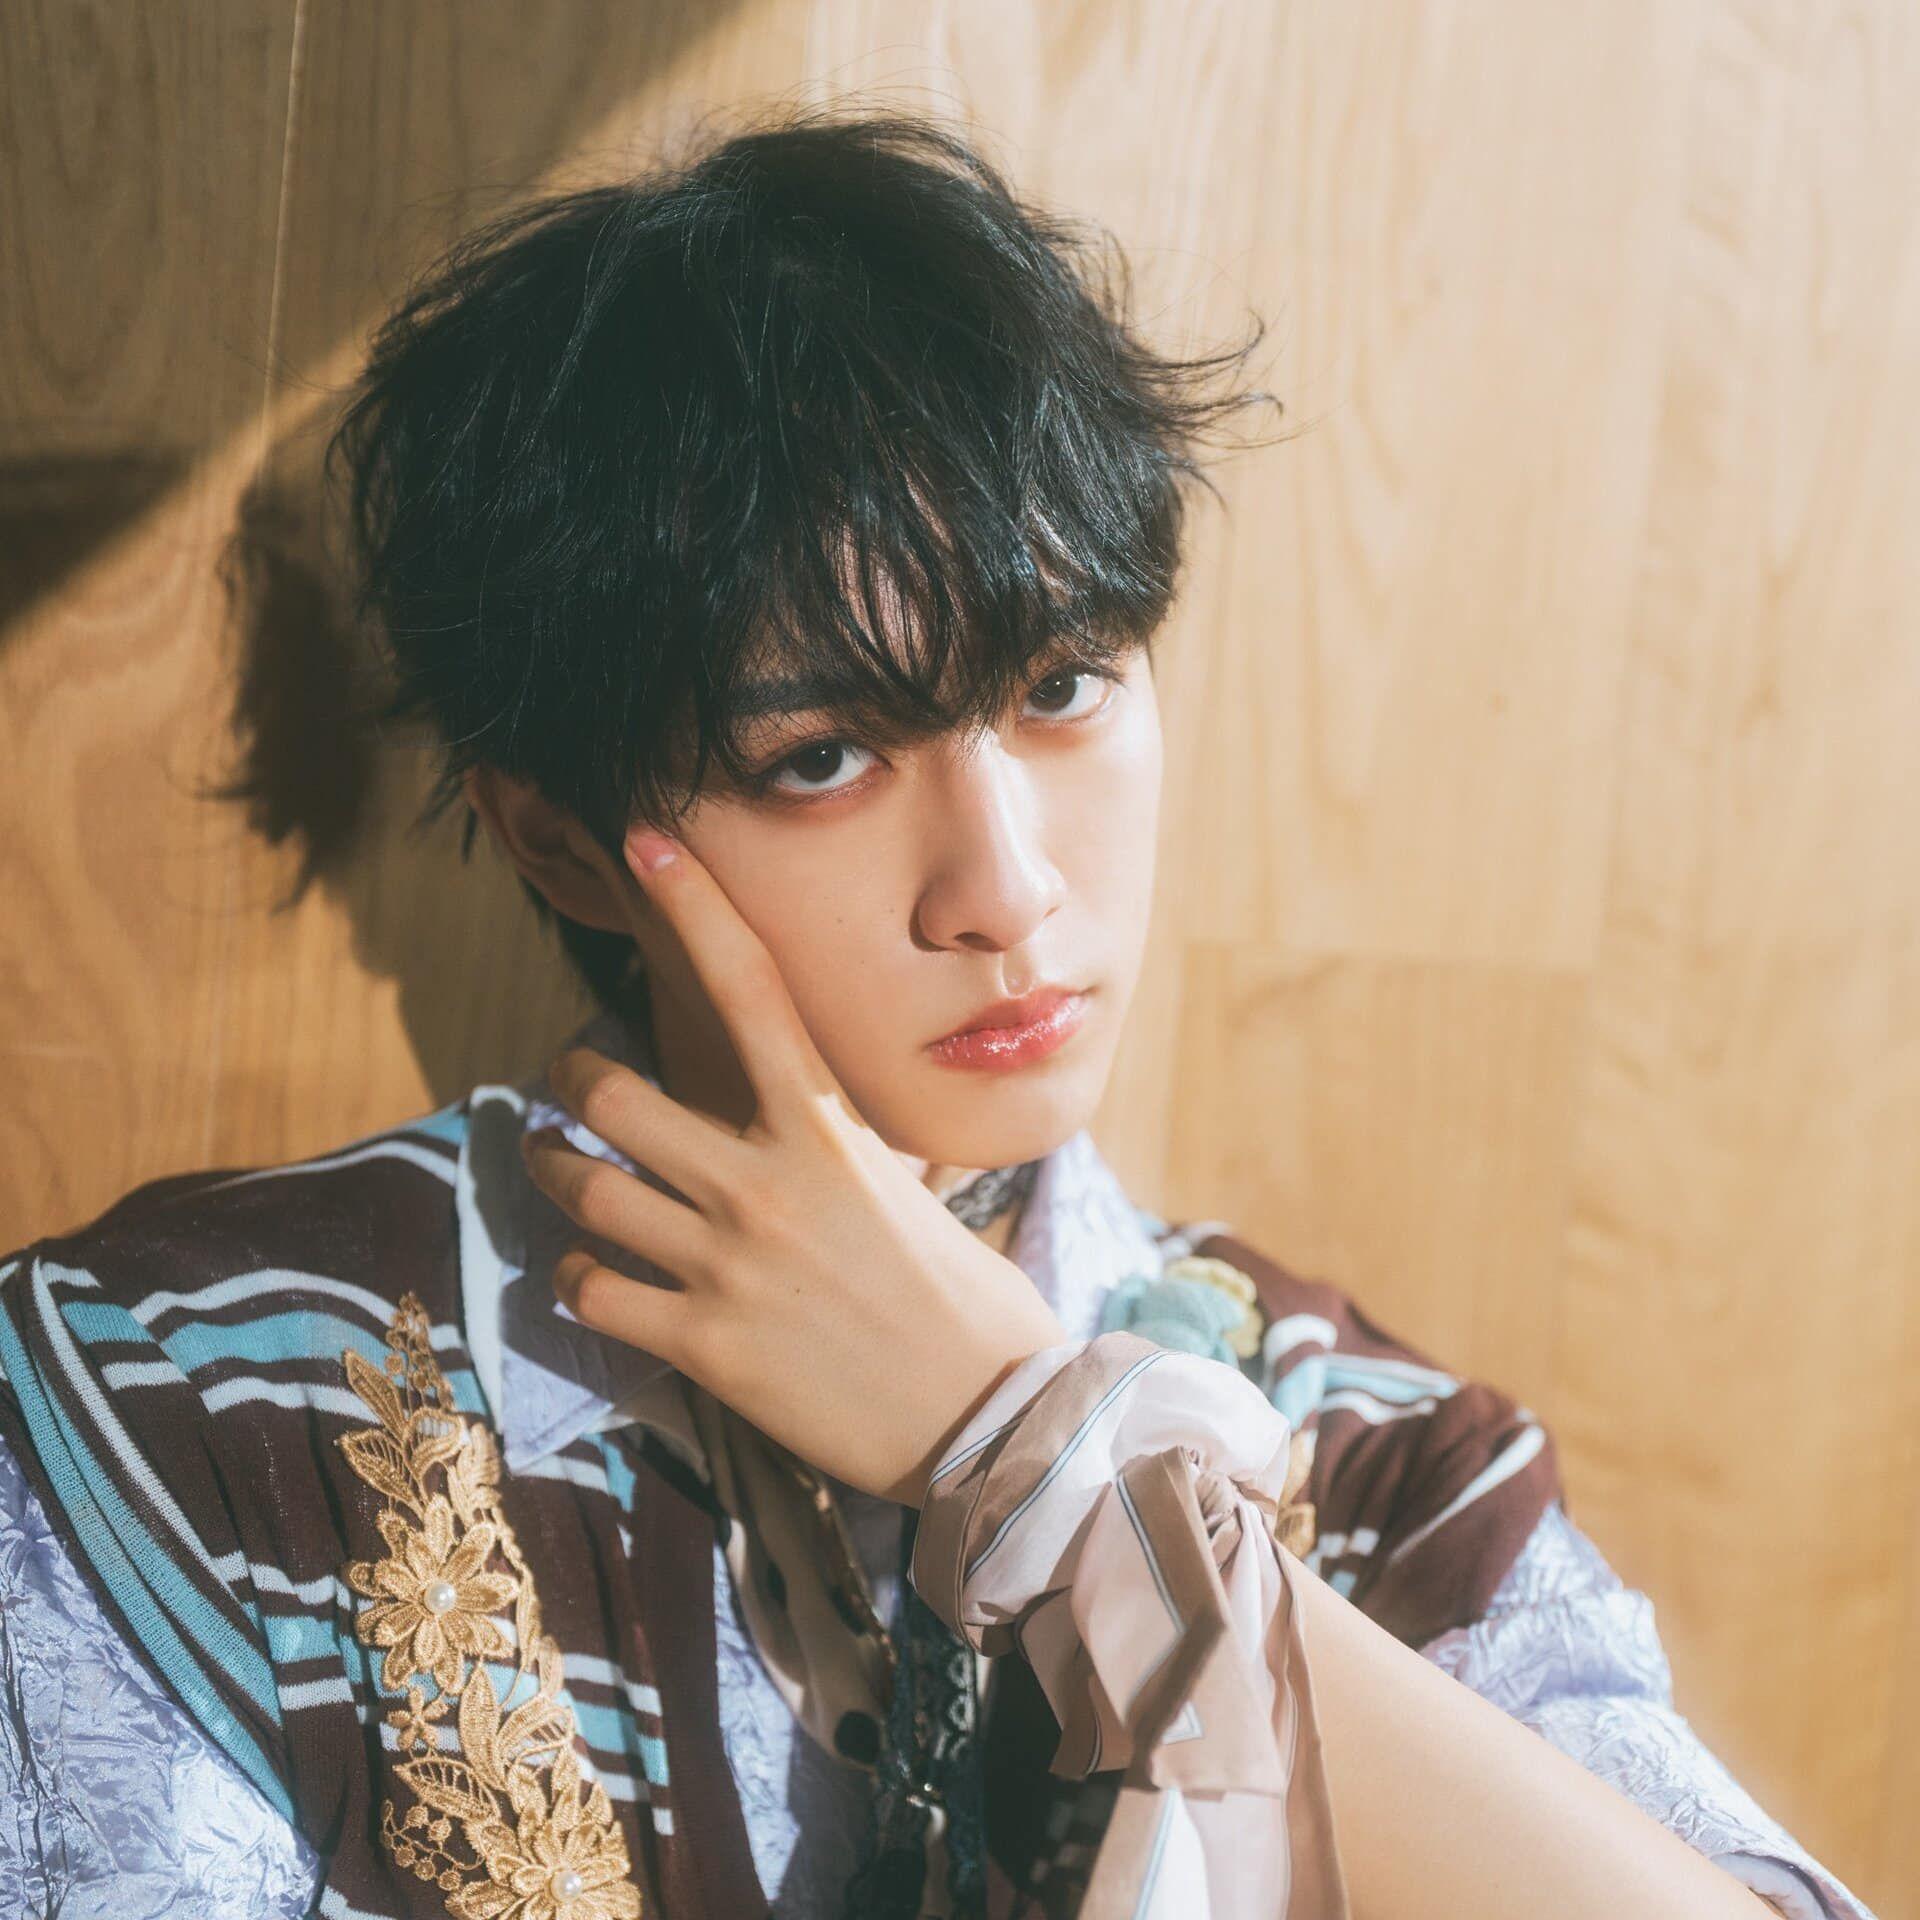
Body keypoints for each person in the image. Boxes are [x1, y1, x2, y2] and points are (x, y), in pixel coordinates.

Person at [0, 107, 1879, 1920]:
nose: (1006, 886)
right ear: (562, 843)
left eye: (1065, 684)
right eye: (822, 756)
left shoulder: (1377, 1461)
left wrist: (1038, 1447)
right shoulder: (188, 1403)